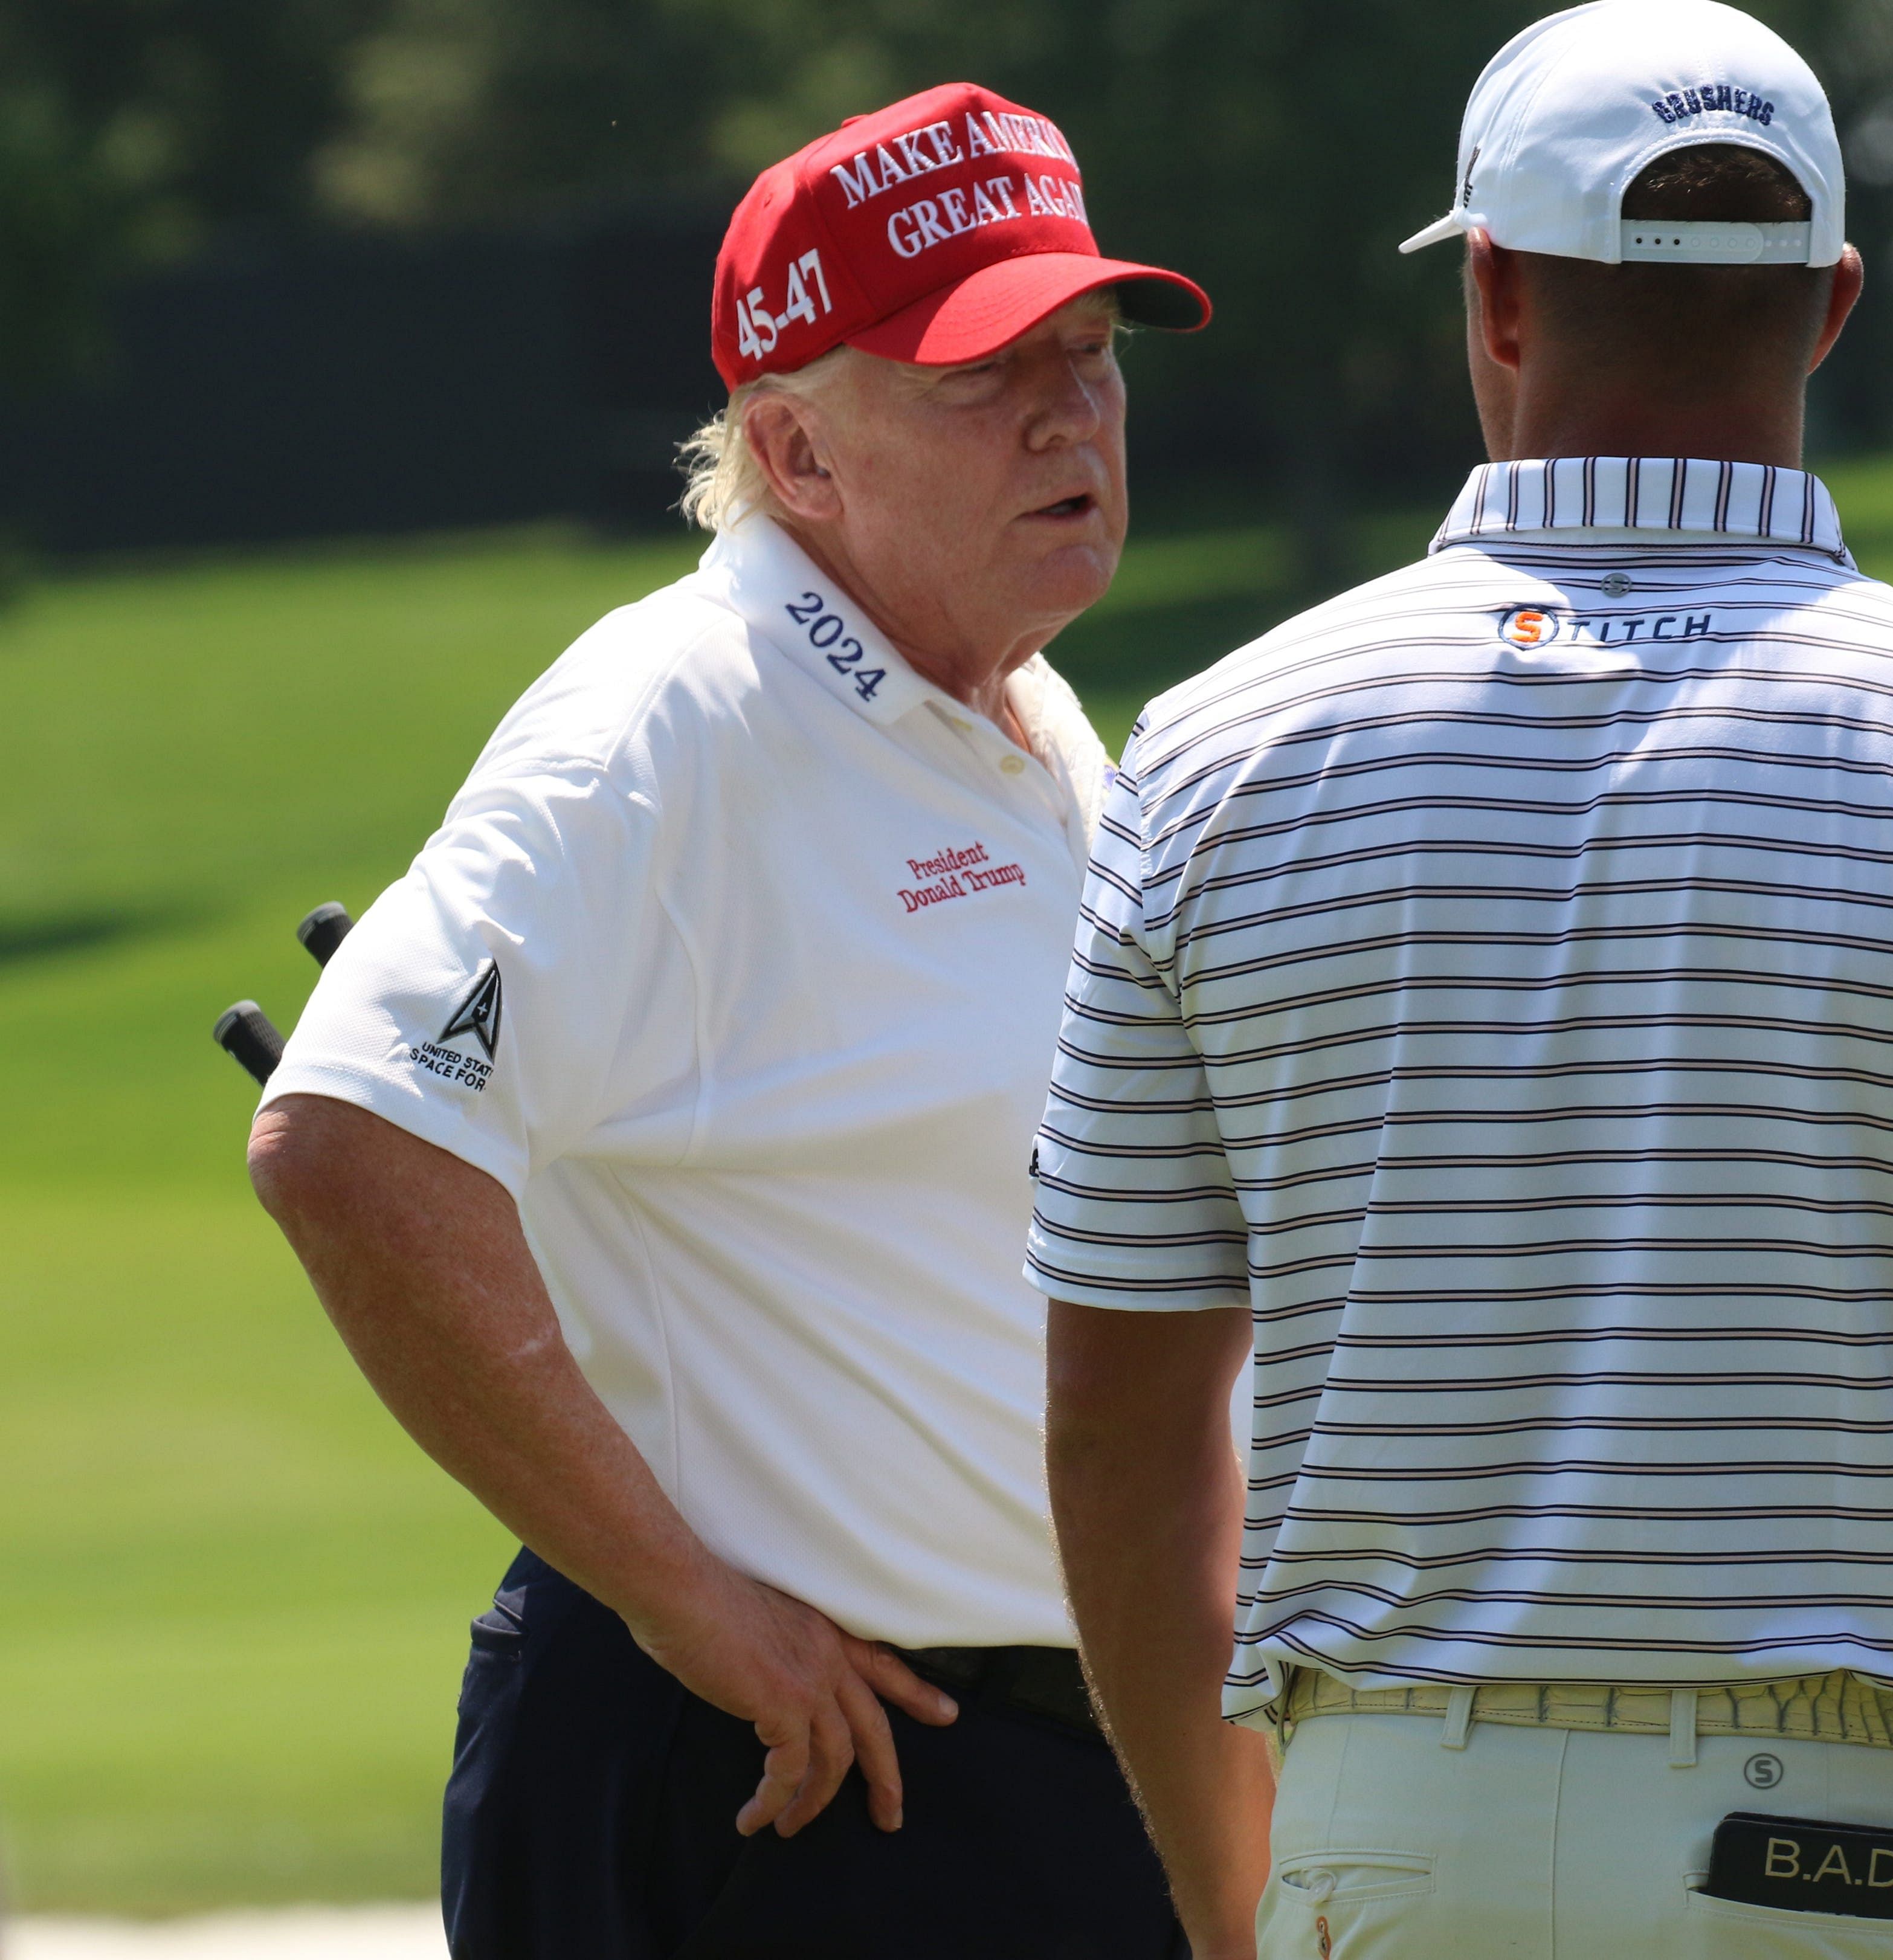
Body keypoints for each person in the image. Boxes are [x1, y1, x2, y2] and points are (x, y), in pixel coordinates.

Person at [1034, 6, 1893, 1958]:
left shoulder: (1210, 749)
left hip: (1393, 1833)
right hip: (1865, 1864)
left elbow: (1120, 1408)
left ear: (1495, 295)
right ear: (1831, 305)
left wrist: (1223, 1879)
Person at [247, 80, 1209, 1960]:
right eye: (979, 372)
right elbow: (348, 1144)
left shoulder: (1018, 710)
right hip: (796, 1792)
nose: (1069, 411)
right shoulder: (672, 725)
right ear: (798, 448)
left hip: (1025, 1783)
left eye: (1090, 354)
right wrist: (697, 1603)